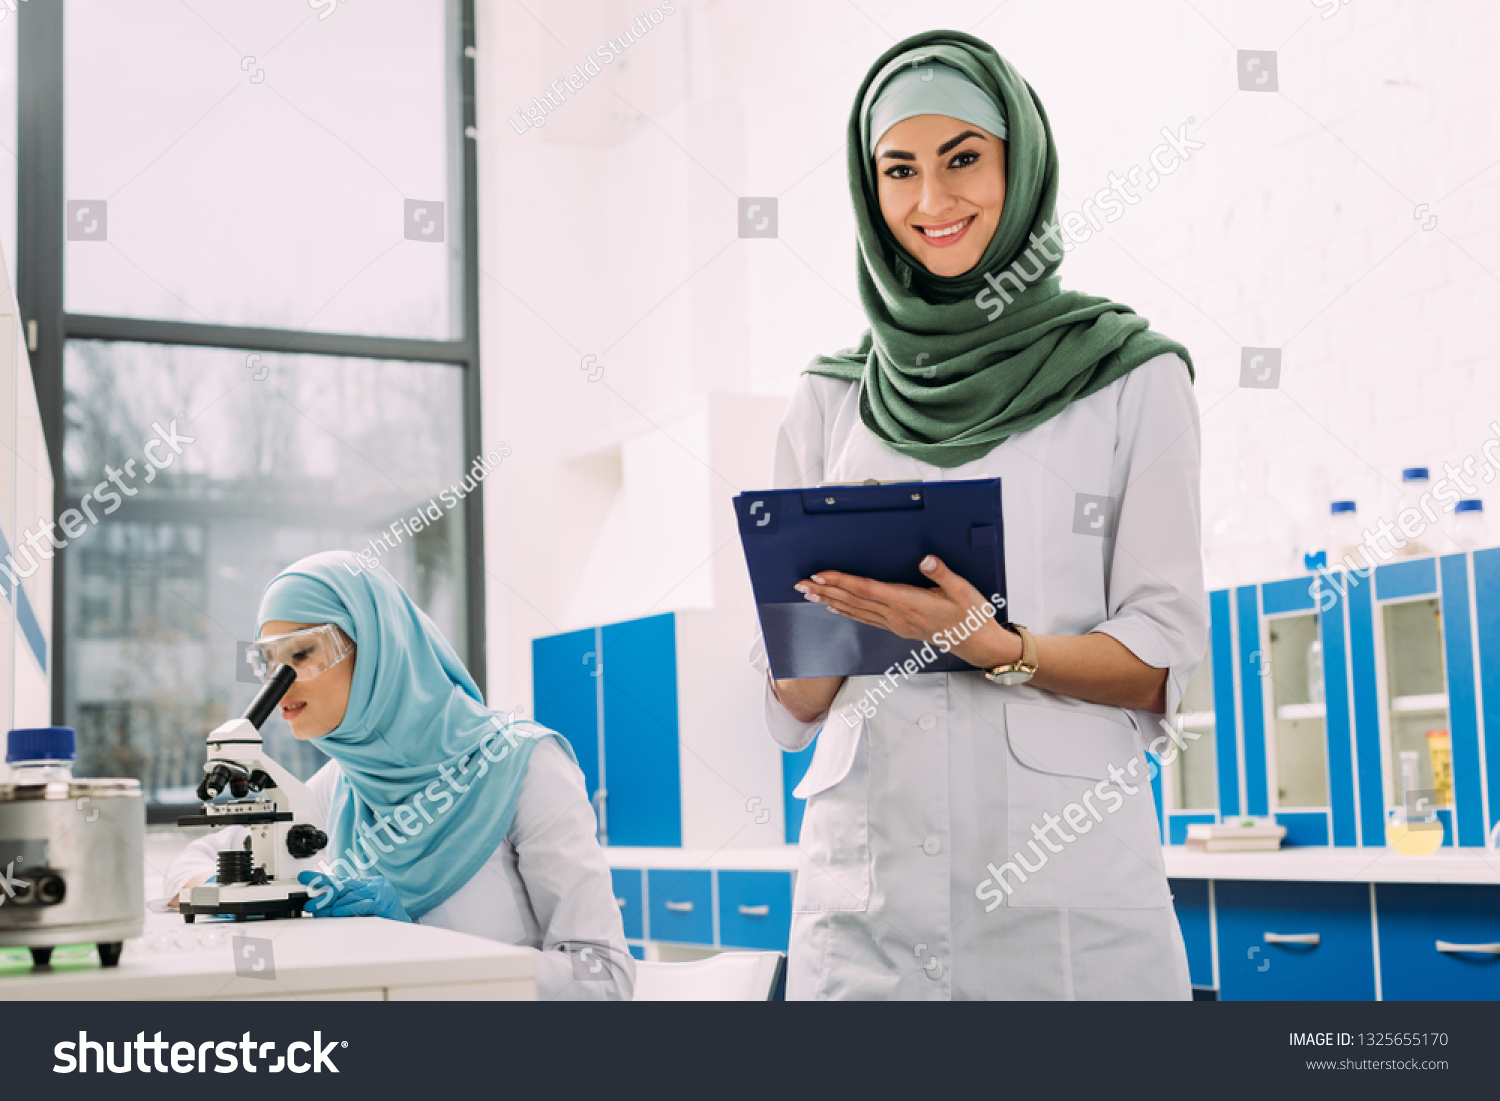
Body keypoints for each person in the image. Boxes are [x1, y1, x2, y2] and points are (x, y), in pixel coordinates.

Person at [762, 30, 1206, 999]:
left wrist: (992, 644)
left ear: (1022, 165)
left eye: (964, 159)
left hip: (1069, 923)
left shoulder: (1129, 377)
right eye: (899, 170)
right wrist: (822, 629)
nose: (932, 202)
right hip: (864, 917)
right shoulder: (829, 400)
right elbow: (792, 706)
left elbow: (1163, 656)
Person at [164, 550, 634, 1001]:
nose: (277, 685)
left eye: (302, 654)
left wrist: (421, 950)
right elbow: (191, 862)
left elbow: (603, 977)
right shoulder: (345, 783)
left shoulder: (523, 764)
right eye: (265, 662)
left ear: (376, 649)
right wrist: (237, 895)